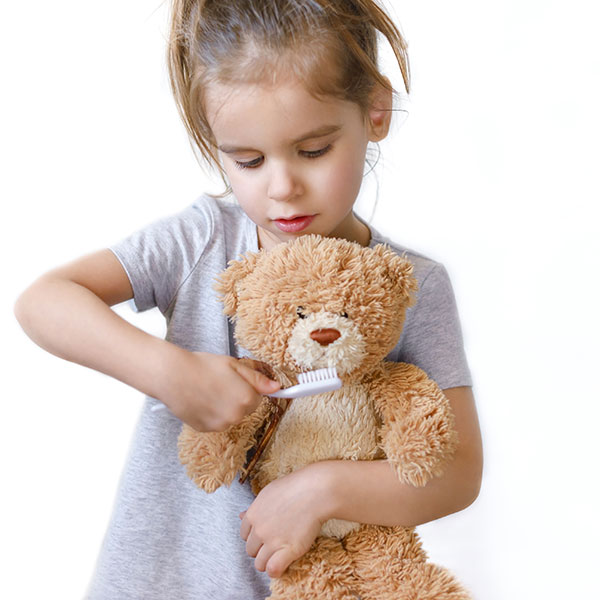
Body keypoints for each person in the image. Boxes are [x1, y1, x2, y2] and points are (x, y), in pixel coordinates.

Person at [14, 1, 483, 598]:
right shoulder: (199, 242)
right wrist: (170, 372)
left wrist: (323, 490)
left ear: (375, 111)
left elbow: (458, 471)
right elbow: (44, 301)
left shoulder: (409, 284)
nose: (282, 187)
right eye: (248, 160)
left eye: (313, 150)